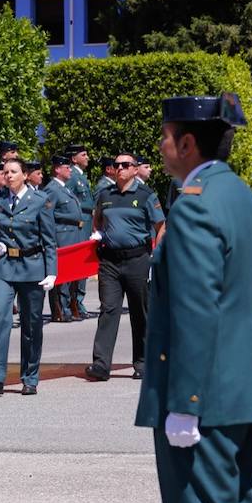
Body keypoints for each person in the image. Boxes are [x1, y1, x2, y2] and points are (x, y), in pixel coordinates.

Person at [135, 93, 252, 503]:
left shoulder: (195, 206)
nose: (160, 146)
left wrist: (185, 405)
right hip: (241, 389)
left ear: (188, 144)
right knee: (238, 502)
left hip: (204, 400)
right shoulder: (243, 198)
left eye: (165, 136)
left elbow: (196, 311)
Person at [0, 158, 57, 397]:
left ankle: (30, 377)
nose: (9, 175)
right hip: (3, 267)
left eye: (13, 172)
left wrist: (52, 271)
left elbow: (49, 241)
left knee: (31, 323)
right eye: (5, 172)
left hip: (32, 266)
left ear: (24, 175)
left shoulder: (40, 201)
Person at [85, 152, 165, 382]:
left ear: (135, 169)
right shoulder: (105, 195)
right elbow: (97, 219)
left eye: (125, 165)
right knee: (108, 309)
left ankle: (142, 363)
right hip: (110, 260)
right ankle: (101, 364)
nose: (119, 168)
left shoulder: (146, 195)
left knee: (140, 312)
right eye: (116, 165)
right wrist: (98, 235)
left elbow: (161, 226)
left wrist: (156, 257)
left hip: (137, 259)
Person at [42, 155, 82, 323]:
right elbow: (47, 216)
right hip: (62, 234)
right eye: (66, 167)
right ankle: (59, 309)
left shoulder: (64, 188)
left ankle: (66, 307)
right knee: (61, 274)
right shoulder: (52, 189)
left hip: (72, 234)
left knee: (70, 274)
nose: (70, 169)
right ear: (57, 169)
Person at [64, 144, 93, 318]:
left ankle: (78, 301)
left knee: (83, 265)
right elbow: (69, 200)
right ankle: (73, 302)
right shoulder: (73, 176)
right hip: (79, 223)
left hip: (87, 221)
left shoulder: (81, 176)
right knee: (78, 264)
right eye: (84, 154)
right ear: (74, 159)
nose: (87, 157)